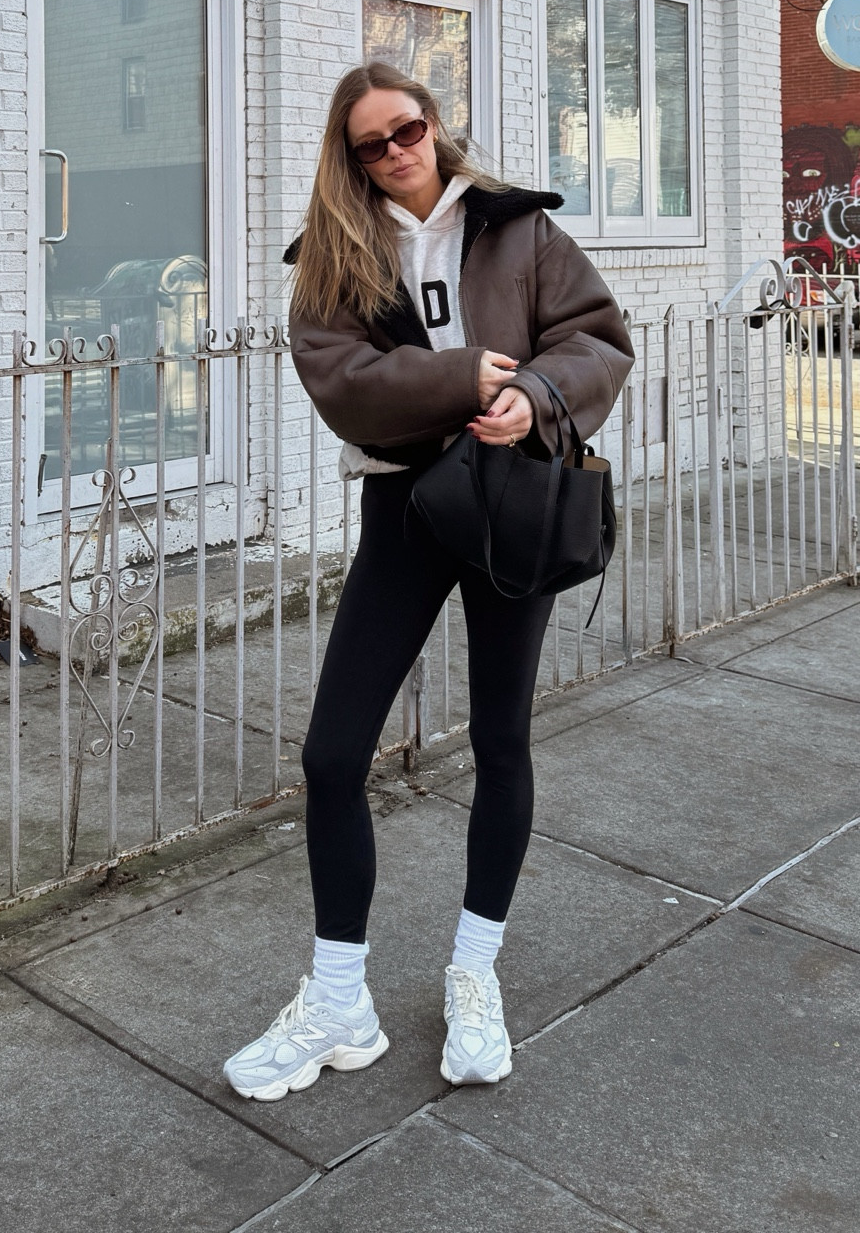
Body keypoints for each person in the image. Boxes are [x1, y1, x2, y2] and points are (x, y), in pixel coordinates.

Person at [223, 60, 632, 1101]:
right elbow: (343, 385)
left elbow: (596, 337)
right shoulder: (333, 255)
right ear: (349, 157)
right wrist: (467, 378)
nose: (397, 152)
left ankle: (474, 971)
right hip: (406, 508)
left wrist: (535, 394)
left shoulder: (518, 228)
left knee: (501, 738)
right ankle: (337, 1000)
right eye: (371, 143)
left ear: (435, 124)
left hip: (513, 497)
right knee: (331, 753)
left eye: (407, 128)